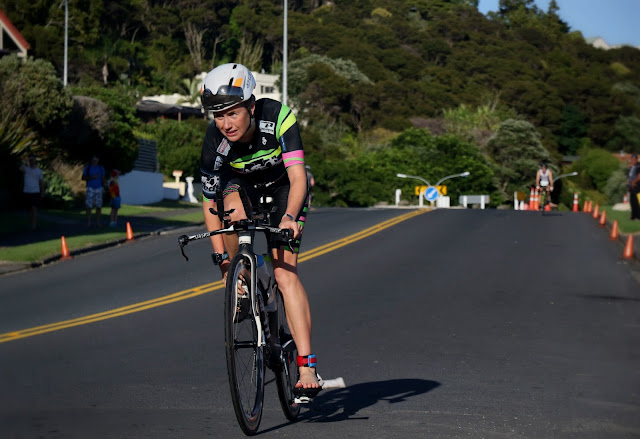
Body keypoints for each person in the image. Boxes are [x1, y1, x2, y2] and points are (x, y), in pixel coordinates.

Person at [199, 63, 319, 395]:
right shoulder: (215, 140)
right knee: (230, 208)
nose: (226, 124)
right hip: (242, 186)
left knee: (285, 274)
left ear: (251, 107)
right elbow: (209, 202)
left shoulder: (278, 117)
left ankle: (307, 364)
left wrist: (289, 217)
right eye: (218, 116)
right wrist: (224, 263)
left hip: (284, 188)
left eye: (233, 114)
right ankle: (245, 273)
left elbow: (298, 177)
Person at [19, 154, 45, 231]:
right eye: (30, 160)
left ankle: (34, 225)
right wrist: (25, 162)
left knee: (34, 208)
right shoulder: (26, 169)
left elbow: (41, 182)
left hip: (35, 191)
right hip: (27, 191)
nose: (31, 161)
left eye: (33, 159)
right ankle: (31, 224)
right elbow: (20, 168)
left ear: (35, 160)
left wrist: (42, 191)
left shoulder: (39, 171)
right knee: (28, 209)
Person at [82, 155, 106, 227]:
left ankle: (98, 222)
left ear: (98, 160)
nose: (95, 161)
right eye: (94, 160)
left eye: (96, 160)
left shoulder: (101, 168)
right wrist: (92, 177)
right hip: (90, 188)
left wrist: (104, 186)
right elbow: (83, 177)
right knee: (89, 206)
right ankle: (88, 222)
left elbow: (103, 178)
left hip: (99, 188)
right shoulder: (88, 168)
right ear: (92, 160)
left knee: (99, 206)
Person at [627, 153, 640, 220]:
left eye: (634, 159)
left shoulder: (638, 166)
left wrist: (634, 182)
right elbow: (629, 176)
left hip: (637, 186)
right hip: (632, 187)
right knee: (632, 202)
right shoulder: (632, 167)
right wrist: (628, 182)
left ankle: (638, 216)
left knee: (638, 202)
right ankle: (633, 216)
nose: (632, 160)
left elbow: (639, 176)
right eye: (632, 159)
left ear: (636, 159)